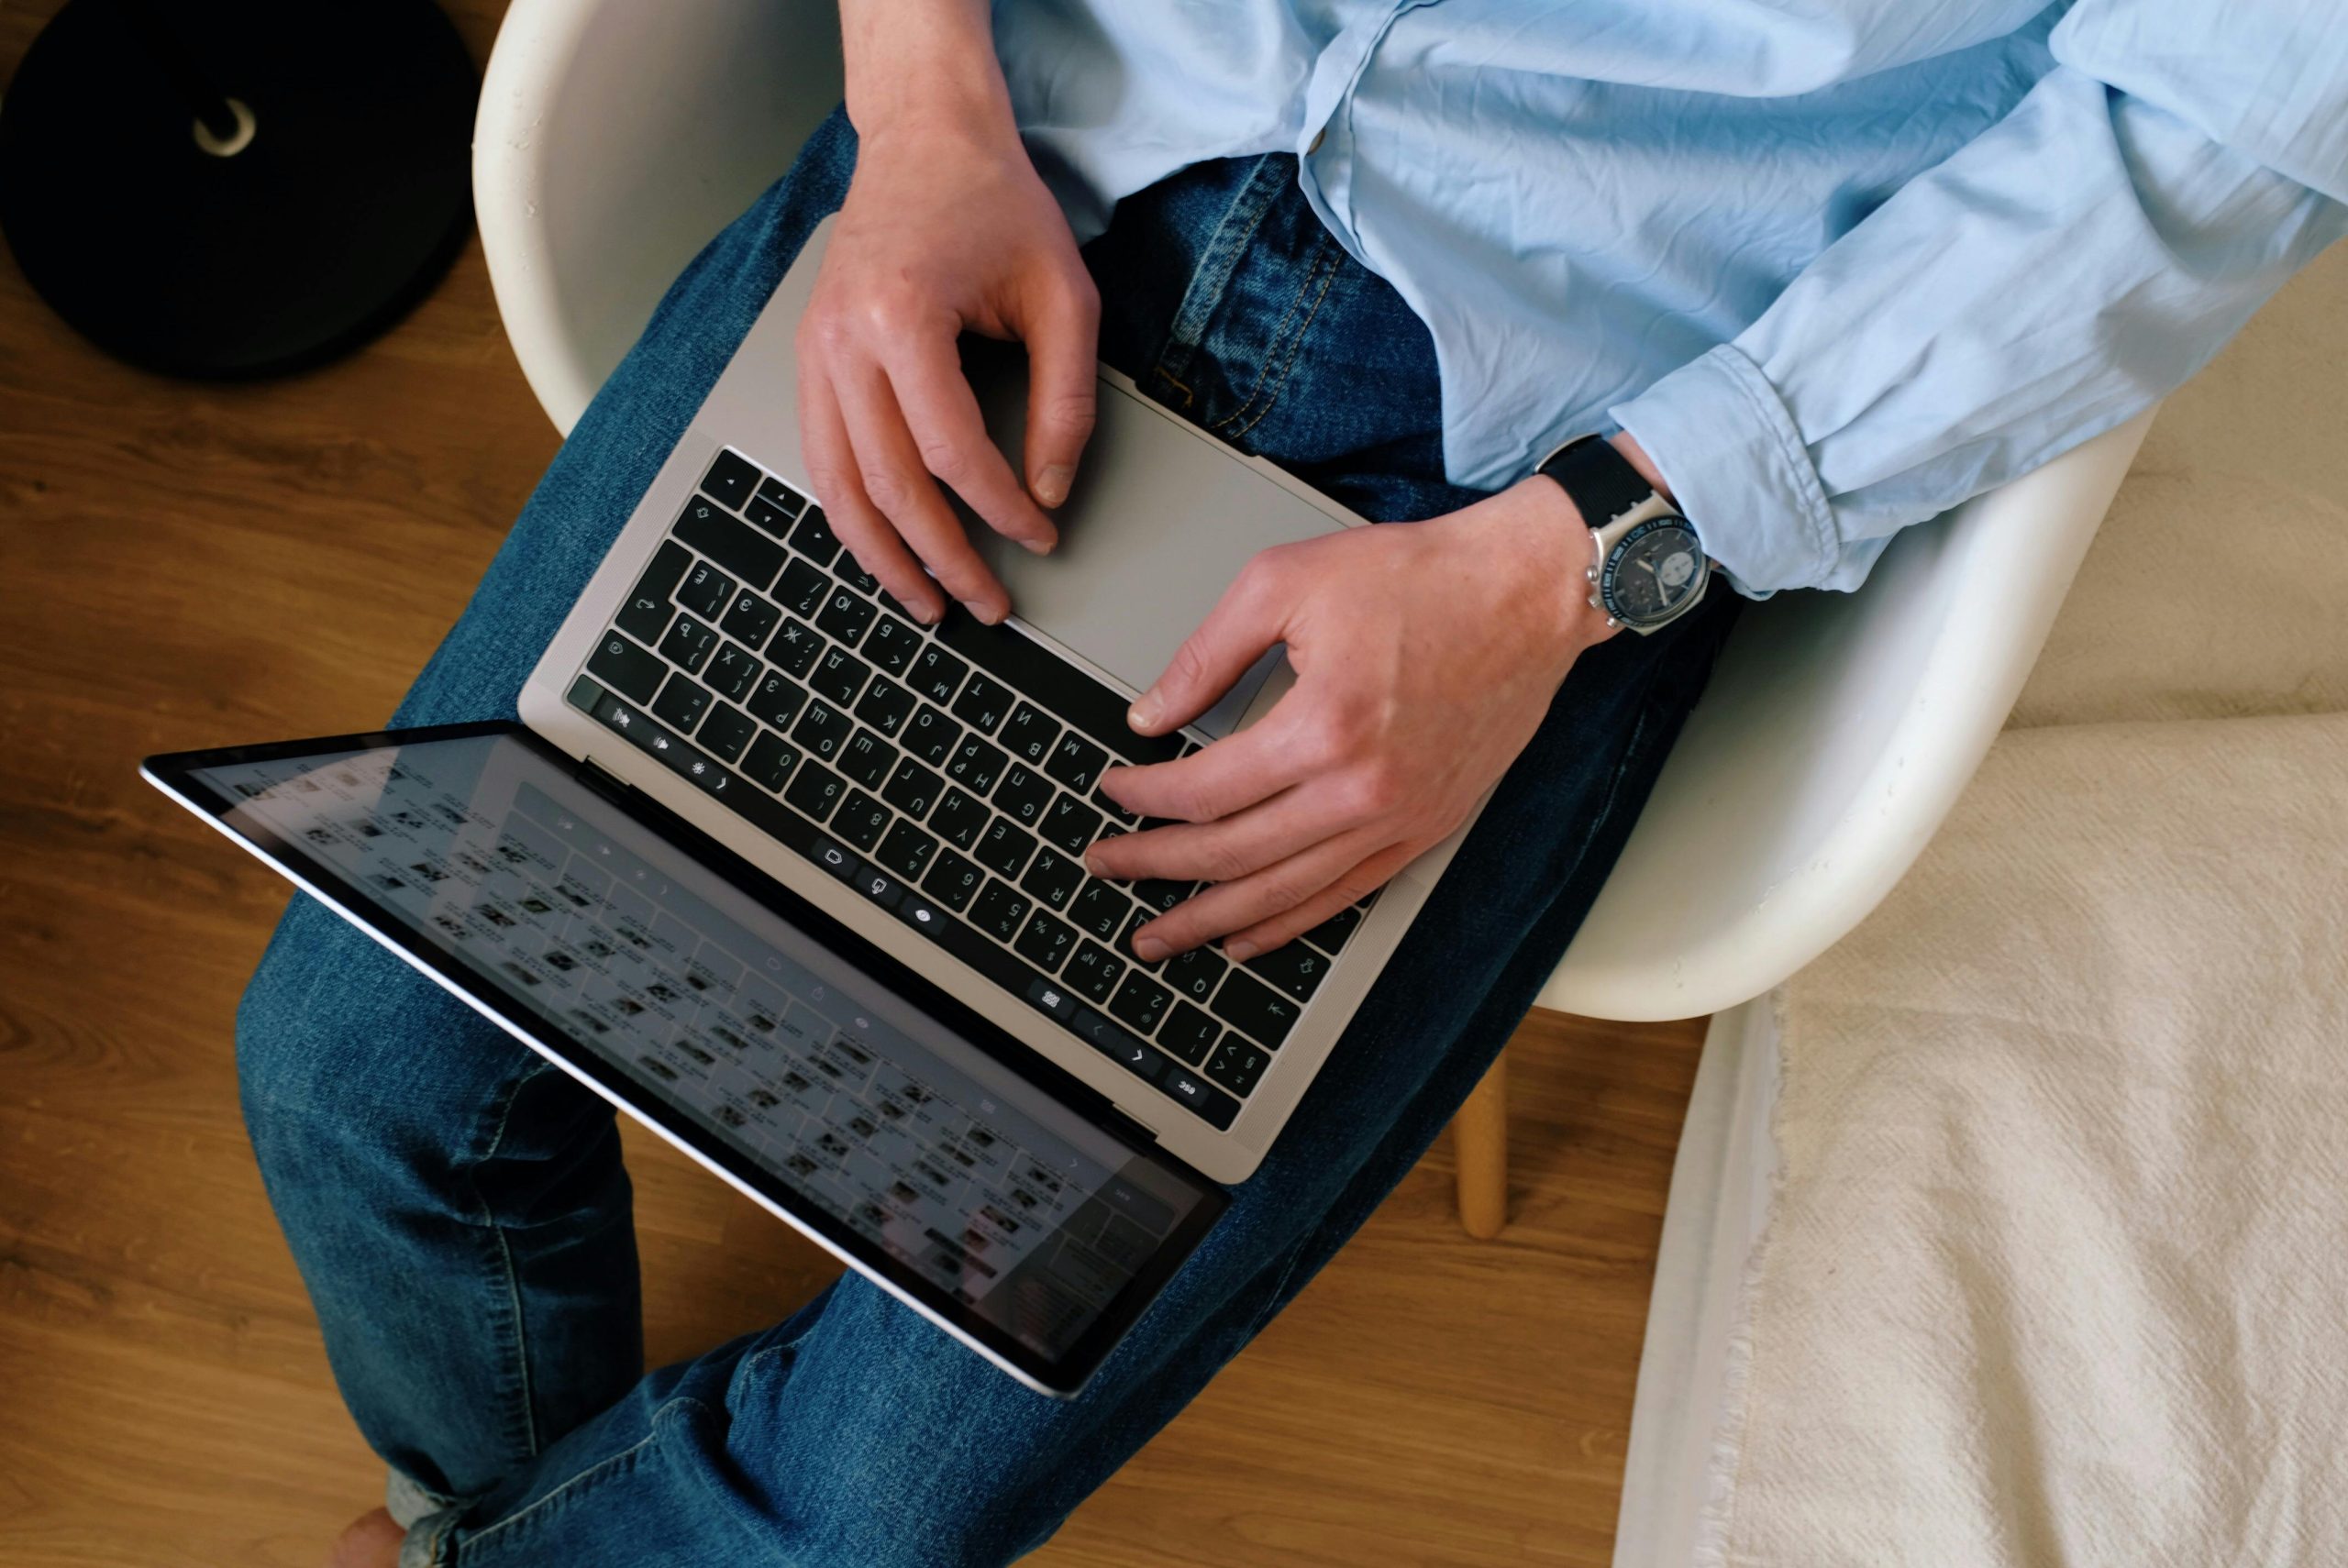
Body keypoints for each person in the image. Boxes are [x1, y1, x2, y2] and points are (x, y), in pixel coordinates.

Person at [246, 2, 2346, 1563]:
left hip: (1526, 492)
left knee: (869, 1522)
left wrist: (1564, 571)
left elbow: (2207, 137)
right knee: (351, 1076)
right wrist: (914, 109)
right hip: (1004, 183)